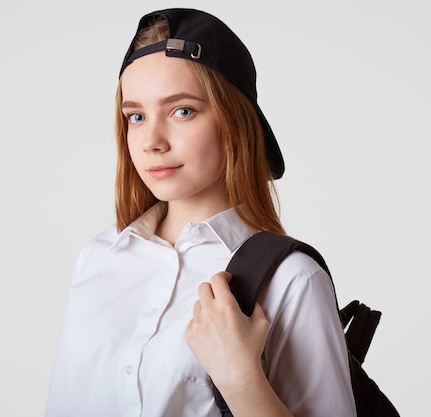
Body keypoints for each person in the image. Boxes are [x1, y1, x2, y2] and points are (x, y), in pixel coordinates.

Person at [45, 8, 355, 417]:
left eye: (182, 111)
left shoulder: (292, 280)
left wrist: (241, 379)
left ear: (234, 121)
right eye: (136, 116)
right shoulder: (98, 257)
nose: (152, 141)